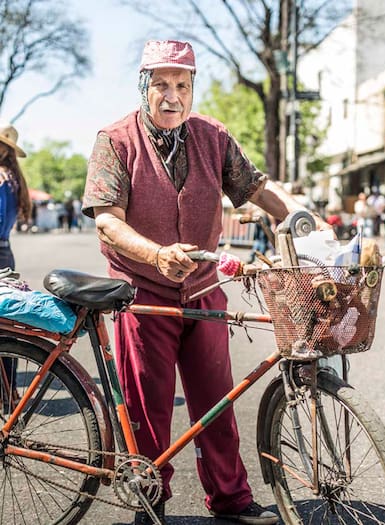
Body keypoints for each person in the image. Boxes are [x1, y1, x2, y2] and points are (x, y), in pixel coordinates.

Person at [82, 40, 331, 525]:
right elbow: (107, 222)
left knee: (217, 398)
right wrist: (155, 254)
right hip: (143, 292)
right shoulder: (114, 140)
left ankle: (231, 498)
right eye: (161, 85)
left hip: (201, 288)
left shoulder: (212, 136)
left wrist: (306, 219)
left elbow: (255, 188)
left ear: (192, 89)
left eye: (182, 85)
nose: (171, 96)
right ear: (143, 87)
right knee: (147, 407)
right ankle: (149, 497)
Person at [0, 121, 32, 397]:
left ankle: (6, 393)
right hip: (5, 251)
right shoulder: (14, 177)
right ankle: (8, 392)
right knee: (5, 326)